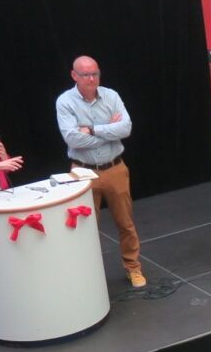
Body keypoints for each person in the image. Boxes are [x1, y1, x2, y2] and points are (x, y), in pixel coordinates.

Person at [57, 55, 145, 287]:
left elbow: (126, 128)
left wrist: (93, 130)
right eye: (85, 74)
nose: (91, 79)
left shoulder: (111, 95)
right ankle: (89, 277)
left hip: (114, 168)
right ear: (74, 75)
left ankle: (133, 268)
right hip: (82, 172)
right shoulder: (65, 102)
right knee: (85, 230)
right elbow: (72, 138)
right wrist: (109, 131)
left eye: (95, 73)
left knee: (126, 223)